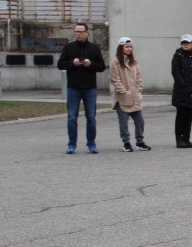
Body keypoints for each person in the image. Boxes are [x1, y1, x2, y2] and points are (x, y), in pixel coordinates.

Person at [57, 22, 106, 154]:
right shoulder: (69, 47)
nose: (78, 34)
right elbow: (60, 64)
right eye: (76, 32)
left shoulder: (94, 48)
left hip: (90, 88)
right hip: (73, 87)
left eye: (81, 32)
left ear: (87, 33)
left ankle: (91, 143)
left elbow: (101, 67)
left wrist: (90, 64)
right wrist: (72, 63)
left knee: (91, 116)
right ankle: (72, 144)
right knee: (72, 117)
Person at [109, 37, 151, 152]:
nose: (129, 49)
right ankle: (126, 142)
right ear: (121, 47)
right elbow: (114, 79)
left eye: (130, 47)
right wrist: (124, 91)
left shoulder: (133, 62)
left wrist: (138, 90)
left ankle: (140, 142)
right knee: (123, 123)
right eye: (126, 47)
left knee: (140, 121)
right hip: (122, 98)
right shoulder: (115, 61)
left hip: (135, 97)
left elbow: (139, 77)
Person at [172, 34, 192, 148]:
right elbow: (175, 71)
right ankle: (179, 139)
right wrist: (182, 84)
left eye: (187, 43)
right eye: (183, 43)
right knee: (181, 115)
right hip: (181, 90)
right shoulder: (177, 55)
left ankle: (186, 138)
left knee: (189, 116)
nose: (185, 45)